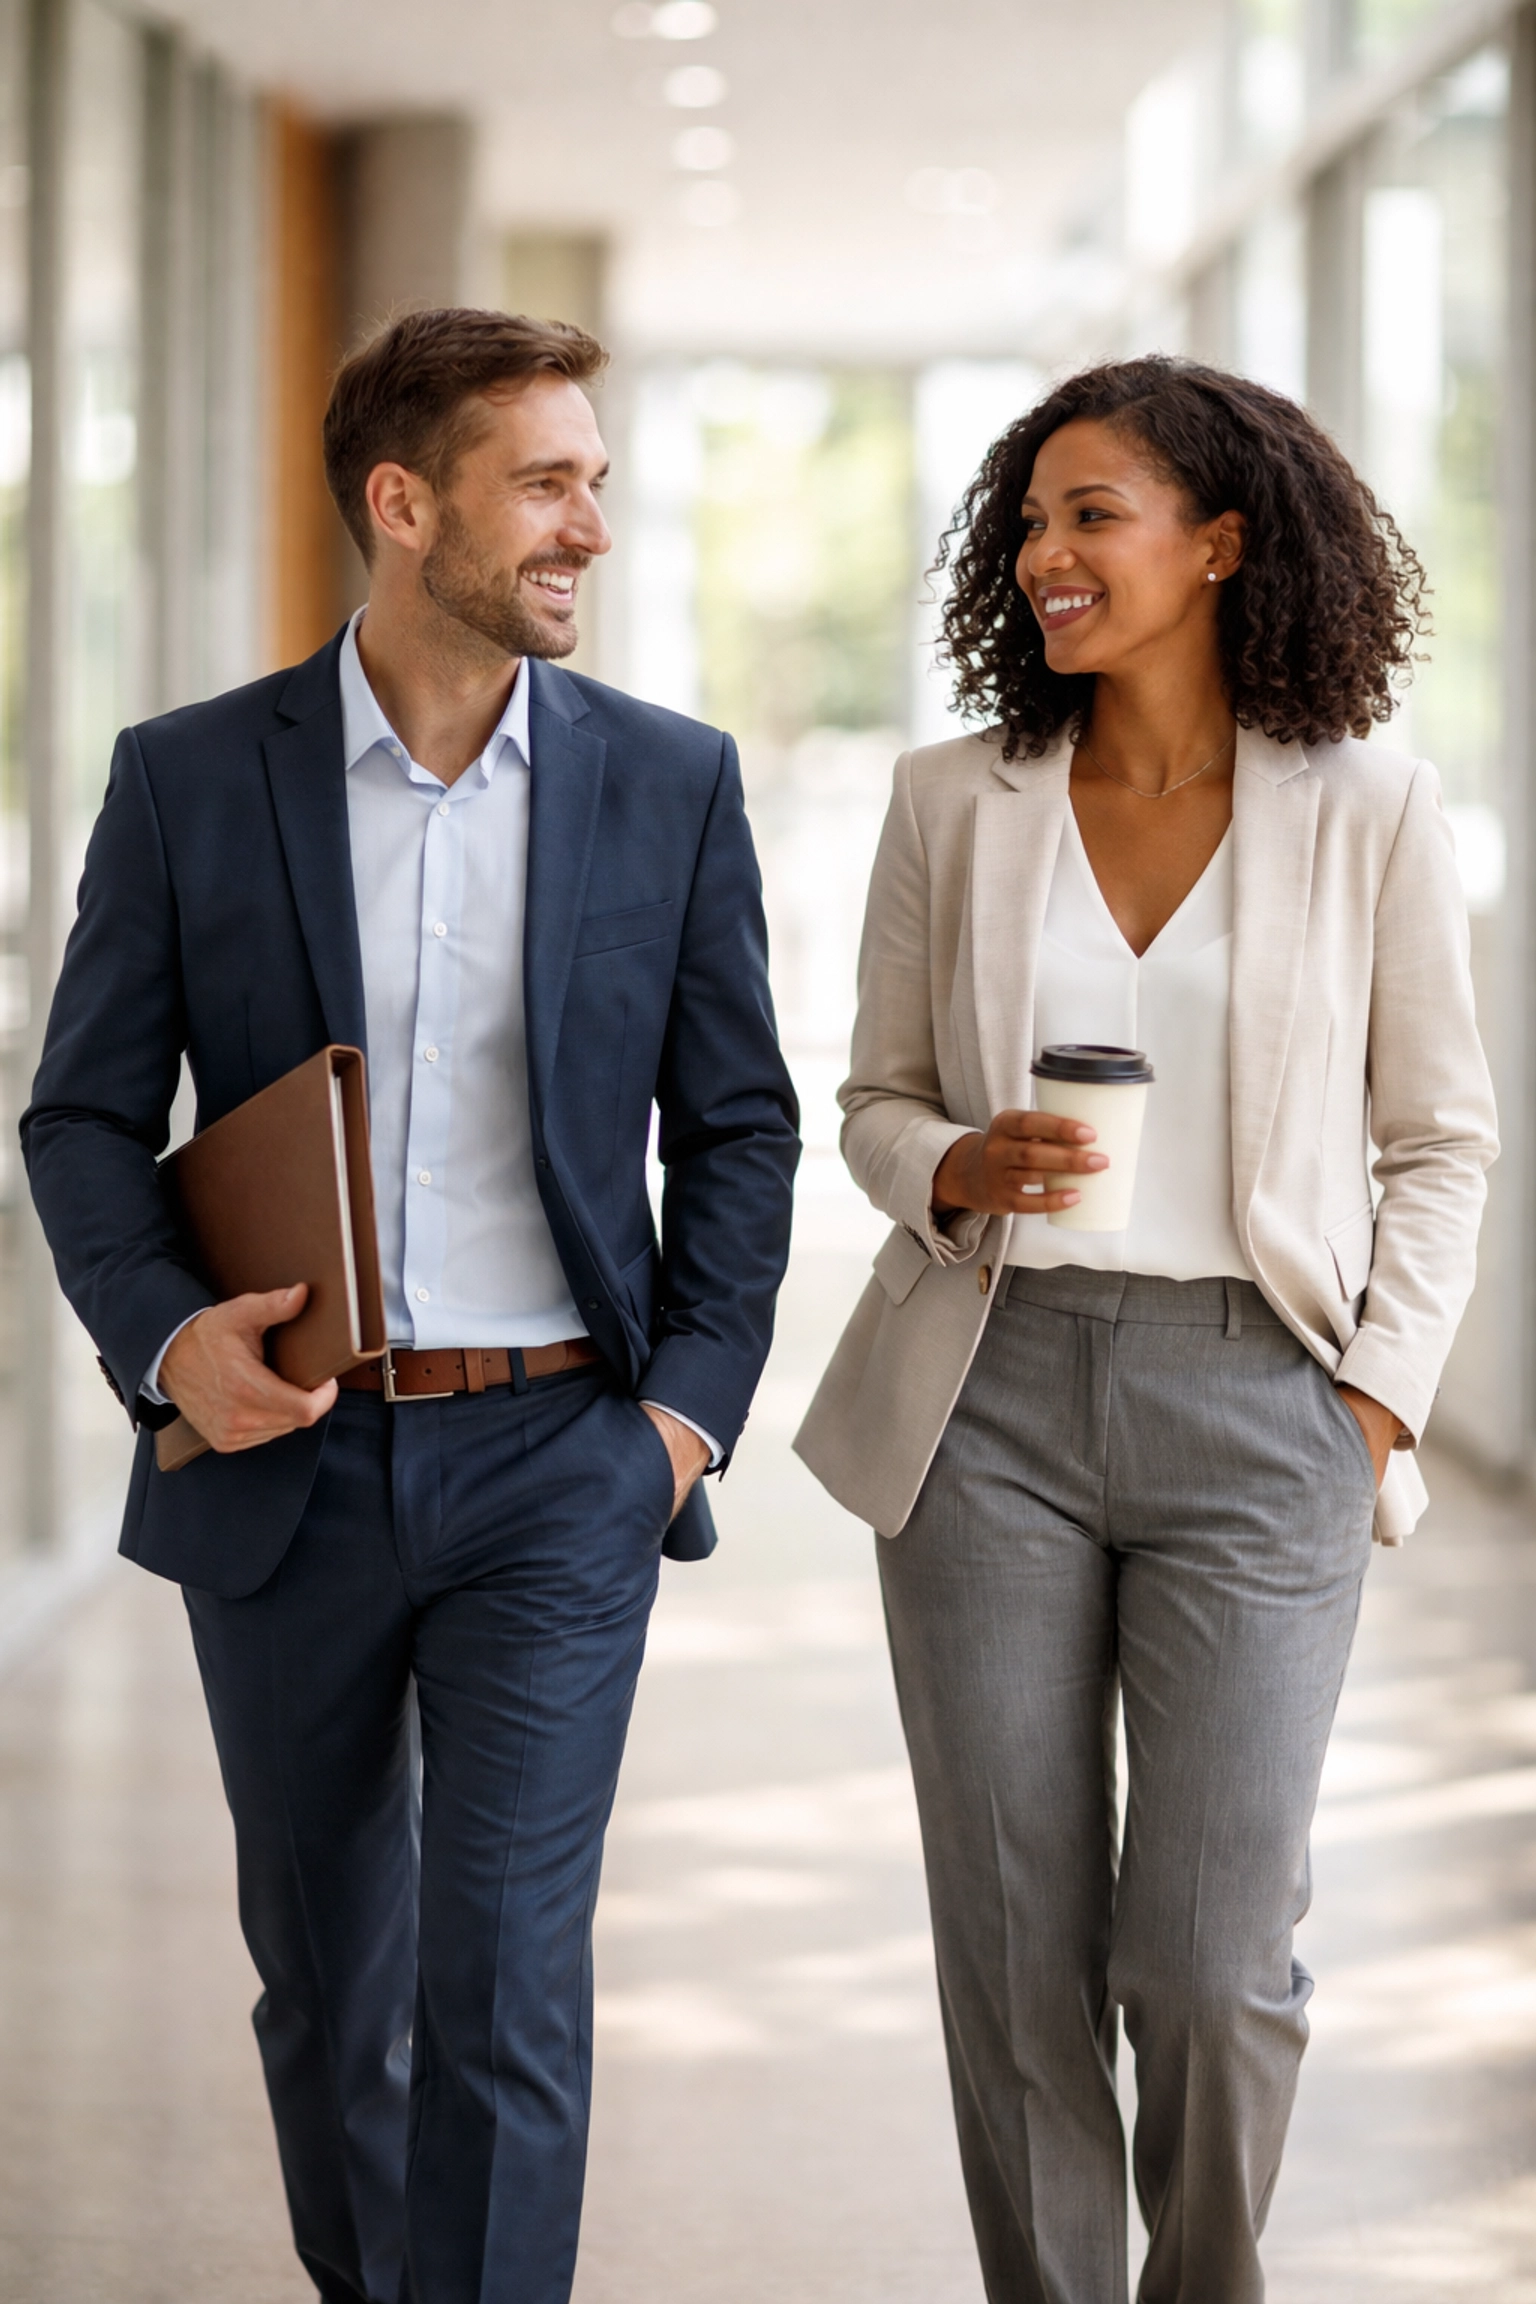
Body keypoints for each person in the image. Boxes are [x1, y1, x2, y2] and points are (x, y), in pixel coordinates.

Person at [22, 308, 799, 2304]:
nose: (590, 526)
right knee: (330, 1992)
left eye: (597, 482)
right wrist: (167, 1341)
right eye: (549, 482)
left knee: (507, 1998)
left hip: (562, 1461)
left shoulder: (667, 783)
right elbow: (86, 1115)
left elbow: (740, 1129)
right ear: (404, 500)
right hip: (289, 1464)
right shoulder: (192, 780)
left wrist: (678, 1421)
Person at [795, 356, 1496, 2304]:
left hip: (1260, 1400)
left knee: (1202, 1953)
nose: (1042, 556)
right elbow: (867, 1104)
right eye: (1024, 523)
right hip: (986, 1401)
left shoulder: (1370, 810)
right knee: (1015, 1950)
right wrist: (954, 1161)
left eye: (1087, 516)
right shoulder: (956, 801)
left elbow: (1442, 1141)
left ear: (1219, 541)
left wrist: (1370, 1404)